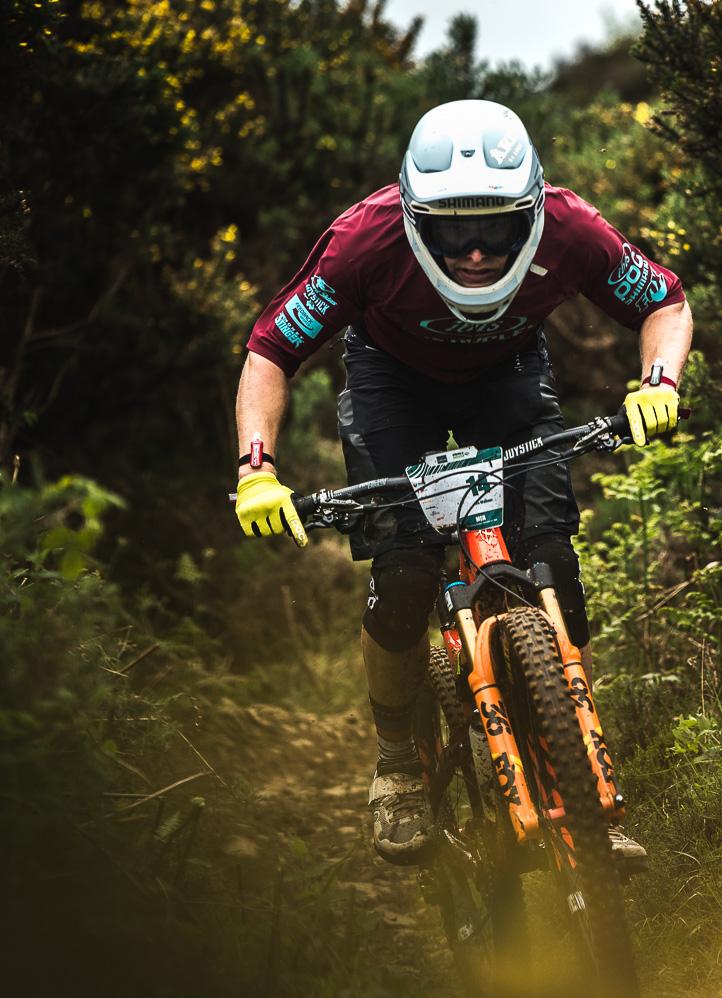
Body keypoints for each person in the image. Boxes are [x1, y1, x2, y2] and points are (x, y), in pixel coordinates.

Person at [232, 99, 688, 864]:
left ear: (532, 215)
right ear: (415, 218)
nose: (476, 252)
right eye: (453, 231)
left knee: (552, 562)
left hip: (508, 376)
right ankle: (397, 769)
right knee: (406, 574)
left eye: (496, 229)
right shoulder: (364, 243)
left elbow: (664, 302)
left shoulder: (573, 229)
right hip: (390, 383)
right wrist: (257, 470)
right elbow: (270, 352)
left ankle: (579, 784)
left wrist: (659, 382)